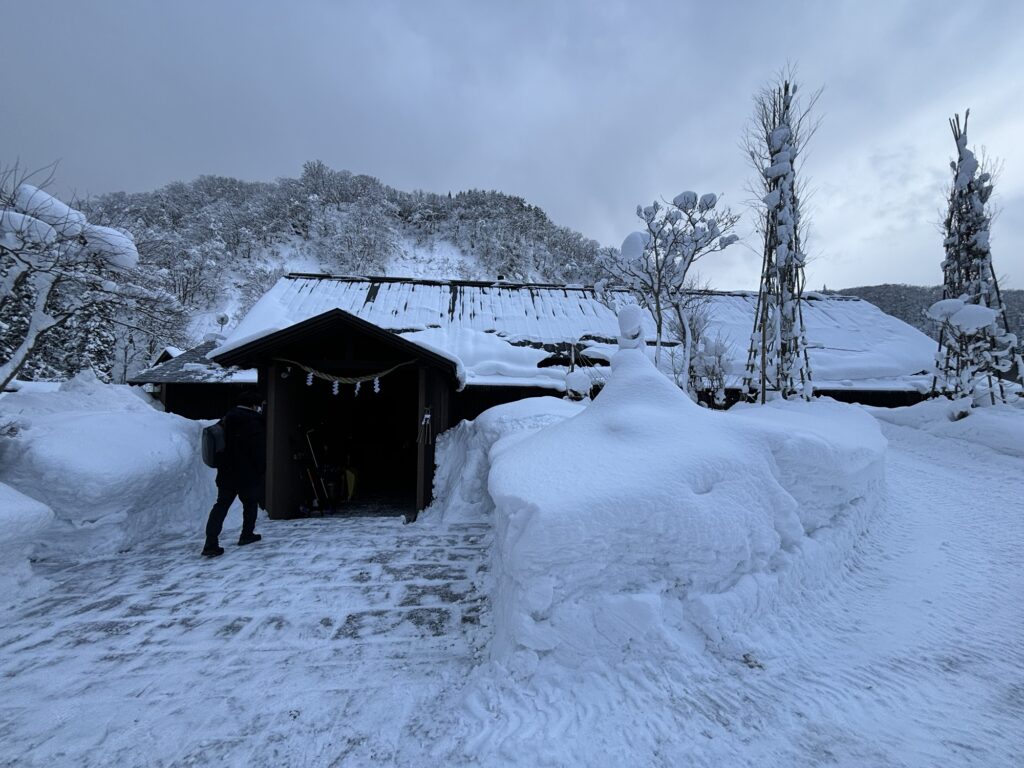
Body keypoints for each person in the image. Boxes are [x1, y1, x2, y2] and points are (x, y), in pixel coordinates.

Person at [202, 391, 267, 557]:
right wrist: (261, 469)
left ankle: (210, 543)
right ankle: (246, 535)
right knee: (250, 504)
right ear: (254, 405)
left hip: (226, 472)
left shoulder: (226, 419)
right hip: (248, 472)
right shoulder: (254, 422)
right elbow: (258, 450)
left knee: (221, 505)